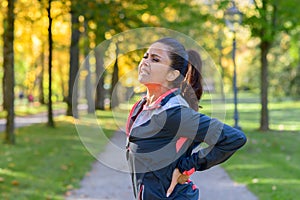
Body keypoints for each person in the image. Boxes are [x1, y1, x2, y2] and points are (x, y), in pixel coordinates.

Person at [126, 37, 247, 200]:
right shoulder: (141, 108)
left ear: (172, 74)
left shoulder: (174, 114)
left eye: (155, 59)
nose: (146, 62)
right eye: (145, 56)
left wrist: (187, 167)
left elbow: (233, 138)